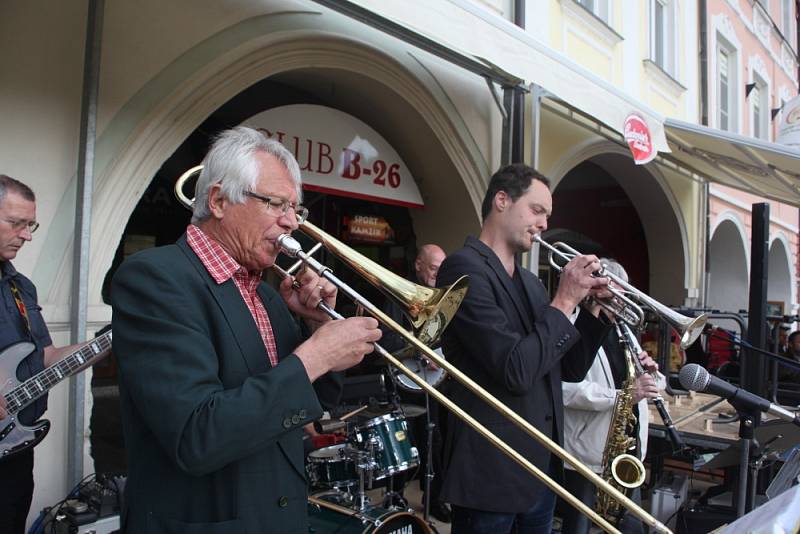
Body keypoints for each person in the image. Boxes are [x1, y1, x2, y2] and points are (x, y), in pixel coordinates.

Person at [111, 127, 382, 533]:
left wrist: (319, 327)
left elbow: (309, 407)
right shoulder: (154, 278)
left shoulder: (268, 296)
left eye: (296, 209)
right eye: (276, 204)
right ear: (219, 200)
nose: (291, 223)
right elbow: (196, 436)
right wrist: (316, 354)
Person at [436, 163, 612, 534]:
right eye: (537, 210)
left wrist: (593, 310)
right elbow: (515, 370)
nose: (545, 224)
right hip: (491, 472)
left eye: (547, 215)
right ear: (502, 200)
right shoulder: (462, 268)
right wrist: (564, 300)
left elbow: (567, 369)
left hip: (540, 471)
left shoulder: (531, 284)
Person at [0, 175, 83, 534]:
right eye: (16, 223)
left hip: (15, 448)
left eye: (30, 225)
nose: (27, 235)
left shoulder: (22, 287)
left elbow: (46, 356)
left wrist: (106, 345)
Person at [560, 259, 662, 534]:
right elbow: (564, 389)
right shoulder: (570, 324)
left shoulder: (623, 330)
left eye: (622, 294)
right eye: (614, 293)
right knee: (577, 527)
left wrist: (653, 373)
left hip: (626, 449)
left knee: (630, 527)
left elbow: (644, 387)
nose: (620, 301)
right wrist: (622, 396)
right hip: (587, 453)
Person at [379, 243, 451, 522]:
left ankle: (434, 497)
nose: (437, 274)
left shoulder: (442, 298)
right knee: (402, 440)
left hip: (434, 384)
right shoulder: (400, 296)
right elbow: (386, 337)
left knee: (436, 440)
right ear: (419, 265)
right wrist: (419, 351)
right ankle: (395, 496)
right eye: (433, 268)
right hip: (405, 384)